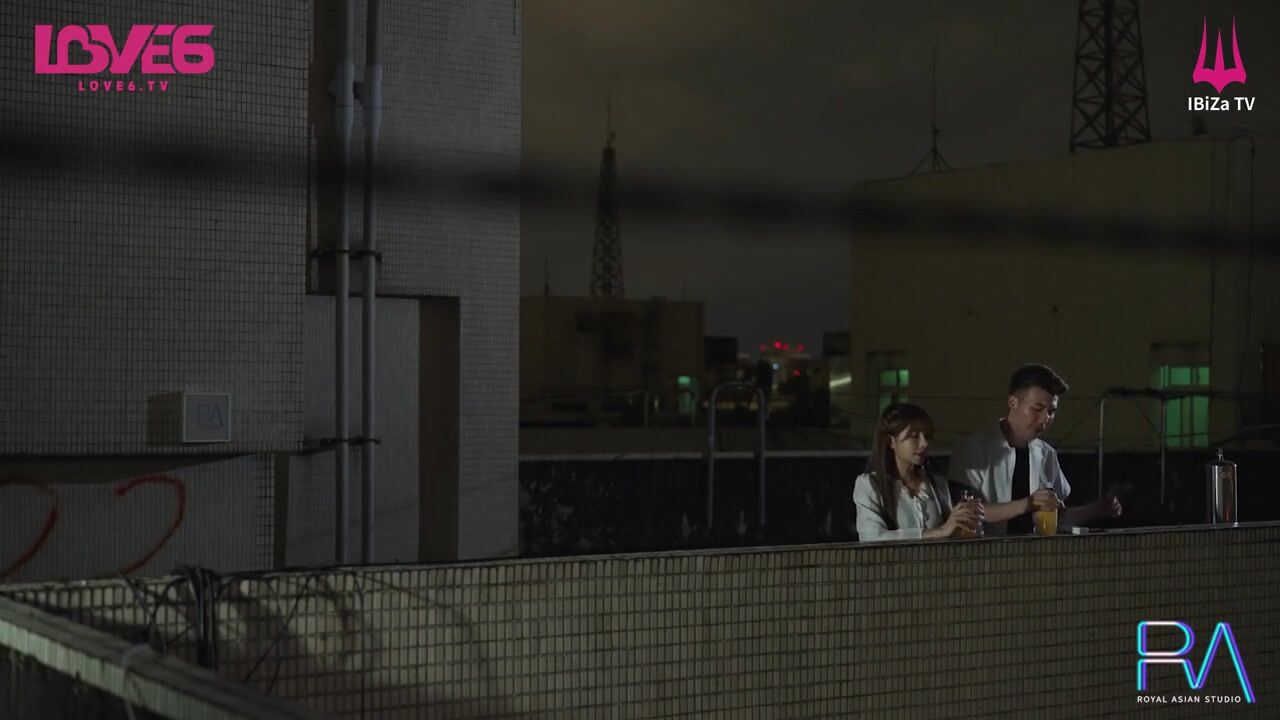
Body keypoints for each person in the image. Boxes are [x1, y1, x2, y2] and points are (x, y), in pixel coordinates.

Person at [948, 363, 1122, 535]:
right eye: (1037, 409)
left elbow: (1057, 517)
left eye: (1051, 412)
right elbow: (964, 511)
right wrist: (1027, 503)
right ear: (1012, 402)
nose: (1045, 419)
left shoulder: (1046, 454)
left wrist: (1097, 509)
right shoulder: (973, 447)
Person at [854, 403, 983, 542]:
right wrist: (939, 531)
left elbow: (949, 533)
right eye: (914, 436)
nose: (924, 443)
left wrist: (965, 525)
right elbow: (872, 537)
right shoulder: (870, 485)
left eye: (927, 436)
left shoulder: (937, 485)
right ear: (891, 441)